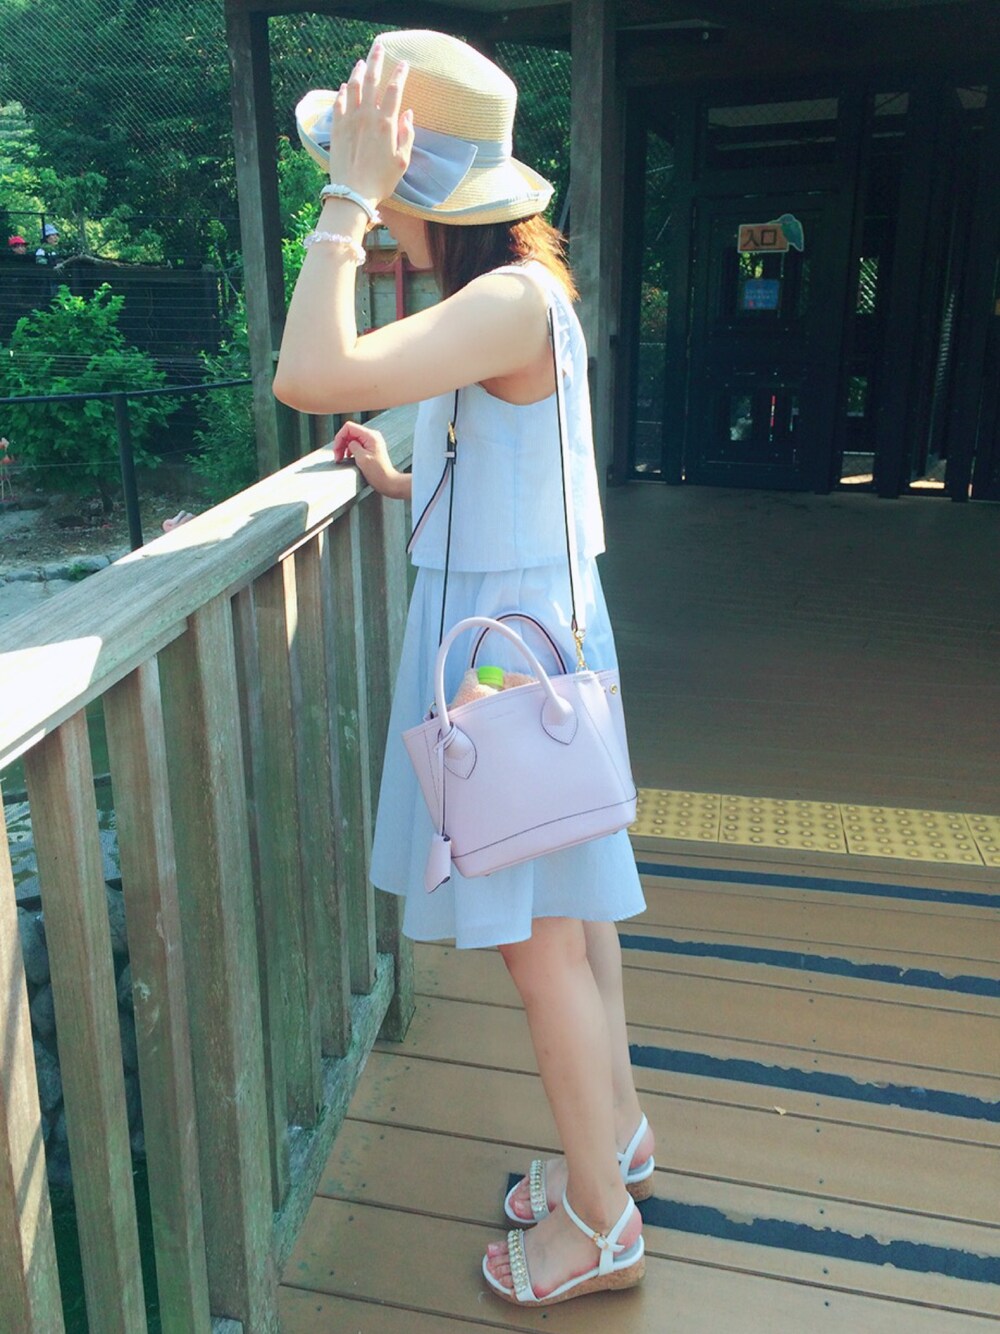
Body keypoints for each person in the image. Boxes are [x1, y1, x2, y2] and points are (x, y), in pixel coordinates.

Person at [274, 30, 653, 1309]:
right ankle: (618, 1140)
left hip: (500, 653)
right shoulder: (517, 294)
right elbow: (501, 457)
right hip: (528, 631)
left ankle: (601, 1223)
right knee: (575, 918)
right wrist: (398, 480)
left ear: (416, 180)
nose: (374, 203)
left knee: (539, 945)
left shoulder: (501, 301)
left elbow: (304, 372)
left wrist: (343, 203)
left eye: (384, 177)